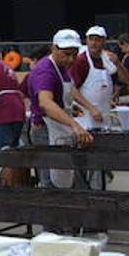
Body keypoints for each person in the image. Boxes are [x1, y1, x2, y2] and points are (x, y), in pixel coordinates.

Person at [29, 30, 95, 189]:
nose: (71, 59)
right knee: (52, 181)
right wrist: (75, 125)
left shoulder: (62, 67)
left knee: (66, 178)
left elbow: (70, 90)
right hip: (46, 130)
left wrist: (83, 108)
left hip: (60, 127)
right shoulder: (45, 71)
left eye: (75, 54)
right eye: (66, 54)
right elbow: (45, 103)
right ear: (54, 49)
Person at [71, 26, 129, 130]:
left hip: (104, 114)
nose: (94, 43)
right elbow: (72, 89)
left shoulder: (108, 60)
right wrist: (91, 108)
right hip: (84, 116)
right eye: (91, 39)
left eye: (97, 40)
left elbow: (126, 80)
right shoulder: (81, 61)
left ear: (104, 41)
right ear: (86, 40)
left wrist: (118, 63)